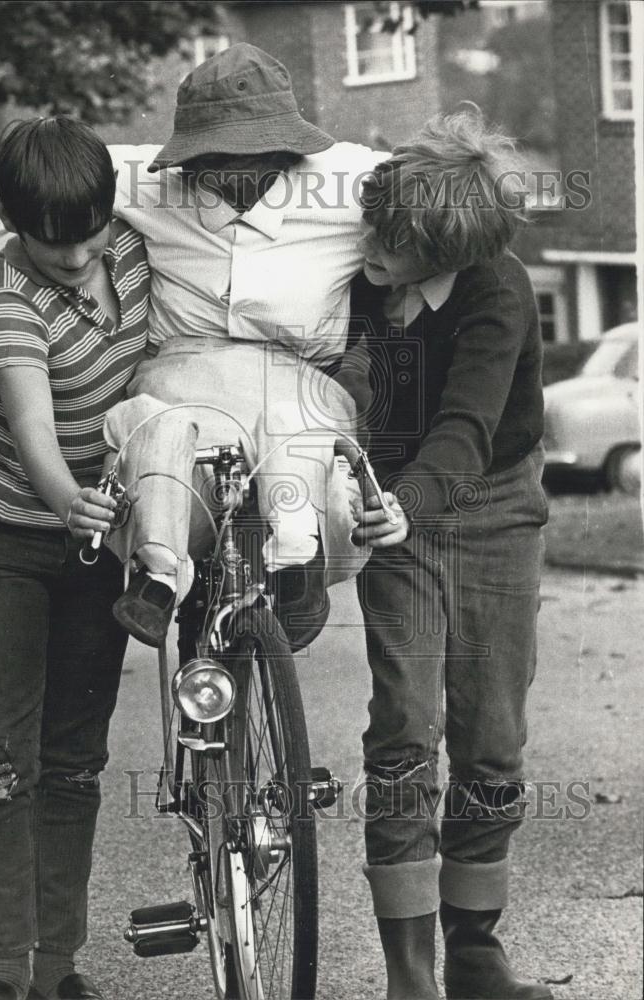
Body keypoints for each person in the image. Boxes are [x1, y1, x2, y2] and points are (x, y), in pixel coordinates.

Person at [0, 43, 386, 649]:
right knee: (160, 453)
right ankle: (164, 587)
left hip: (295, 390)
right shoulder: (135, 177)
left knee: (305, 463)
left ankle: (299, 573)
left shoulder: (352, 183)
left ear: (291, 146)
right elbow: (3, 238)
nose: (235, 176)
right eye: (213, 159)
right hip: (185, 386)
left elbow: (445, 198)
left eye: (261, 156)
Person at [349, 110, 553, 999]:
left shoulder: (496, 291)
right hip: (391, 507)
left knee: (491, 736)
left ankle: (474, 950)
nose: (375, 249)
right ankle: (410, 975)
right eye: (376, 226)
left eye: (399, 241)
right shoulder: (355, 276)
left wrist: (410, 501)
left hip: (493, 502)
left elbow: (468, 425)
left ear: (450, 250)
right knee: (401, 730)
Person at [0, 116, 150, 1000]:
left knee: (75, 753)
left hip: (95, 540)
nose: (75, 258)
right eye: (49, 242)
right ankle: (3, 973)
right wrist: (68, 499)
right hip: (3, 535)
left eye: (89, 235)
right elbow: (32, 423)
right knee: (3, 754)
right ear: (7, 217)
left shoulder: (139, 251)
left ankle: (57, 967)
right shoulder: (7, 297)